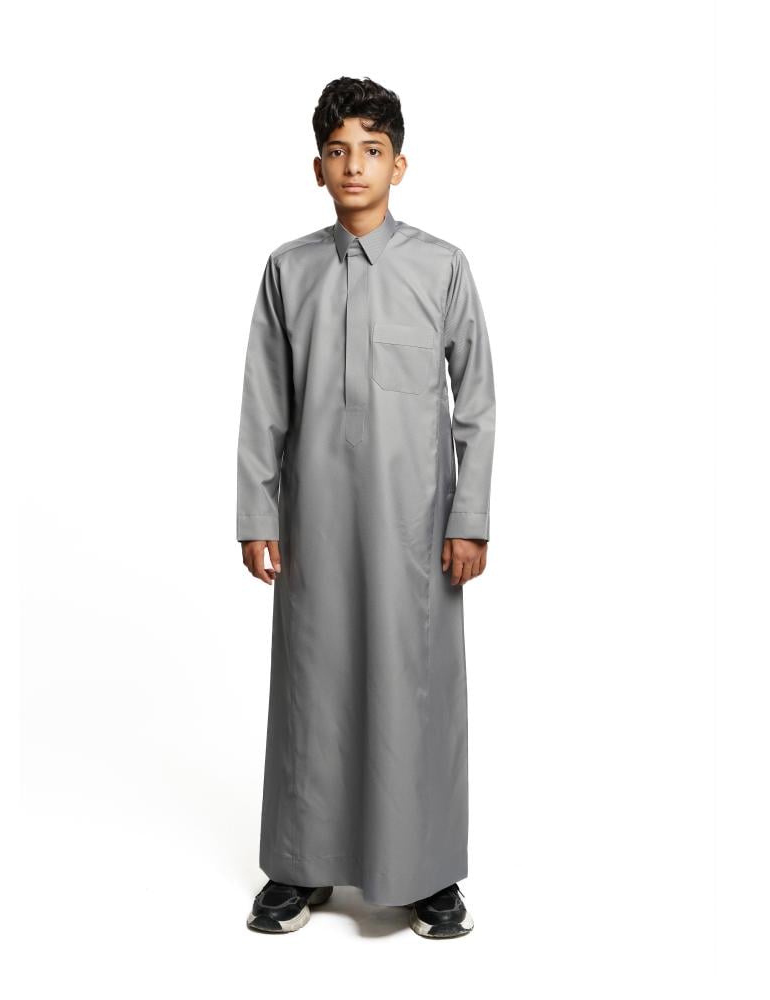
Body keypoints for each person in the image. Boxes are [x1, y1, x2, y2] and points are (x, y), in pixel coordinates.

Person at [236, 76, 496, 939]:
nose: (355, 166)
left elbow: (477, 401)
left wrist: (468, 517)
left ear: (399, 165)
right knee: (313, 687)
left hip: (414, 529)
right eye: (339, 151)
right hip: (314, 522)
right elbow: (264, 404)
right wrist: (258, 516)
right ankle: (299, 865)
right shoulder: (289, 270)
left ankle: (427, 872)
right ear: (318, 167)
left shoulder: (441, 267)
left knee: (416, 689)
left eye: (372, 151)